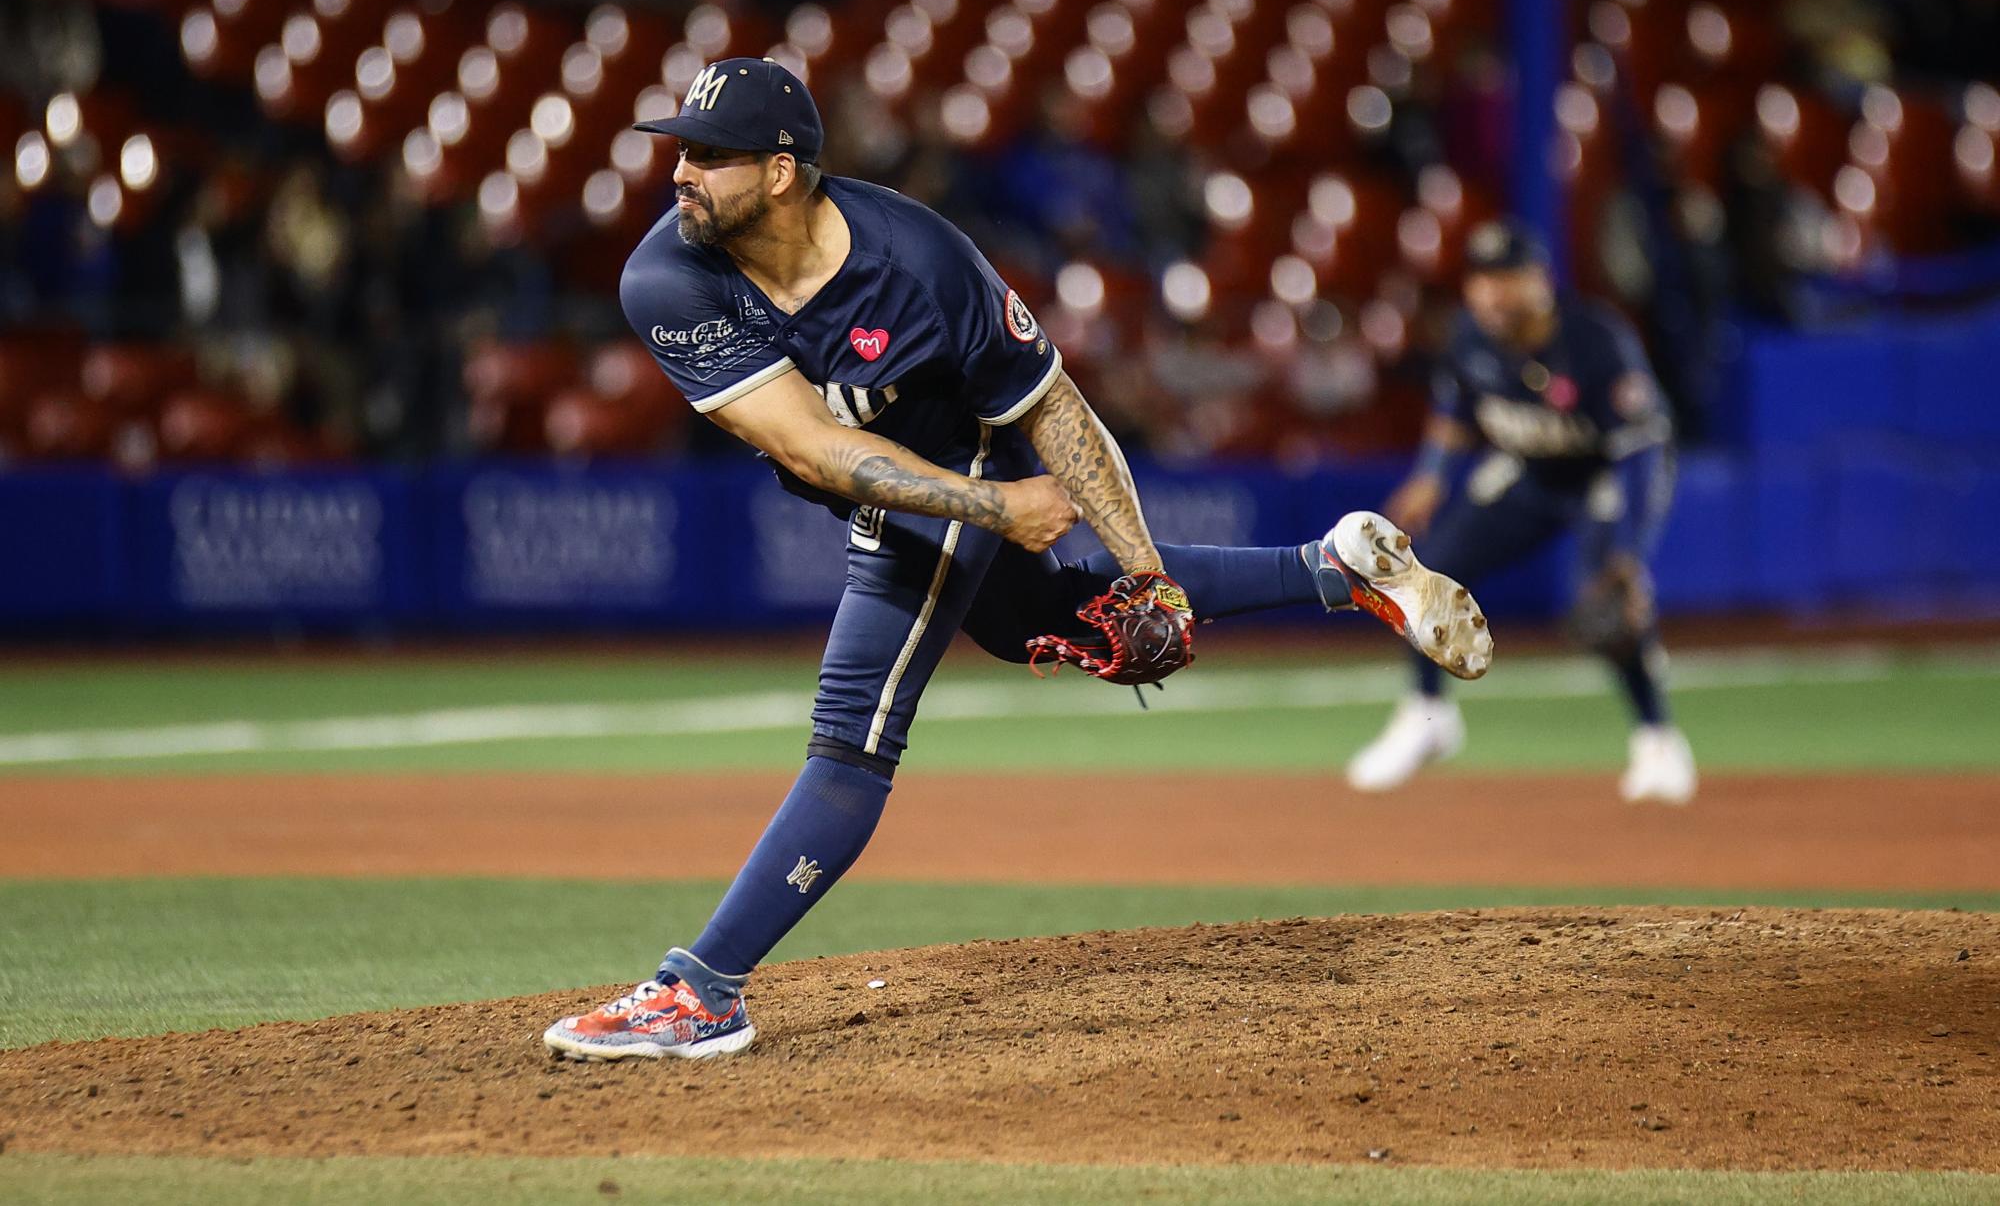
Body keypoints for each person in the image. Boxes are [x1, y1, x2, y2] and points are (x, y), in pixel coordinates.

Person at [540, 59, 1494, 1061]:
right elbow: (807, 446)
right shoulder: (667, 274)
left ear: (781, 171)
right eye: (678, 149)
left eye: (705, 153)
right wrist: (1001, 510)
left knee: (851, 735)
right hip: (933, 483)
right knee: (1040, 622)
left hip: (957, 457)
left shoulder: (918, 261)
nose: (678, 172)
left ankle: (703, 991)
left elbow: (1053, 409)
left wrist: (1145, 570)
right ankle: (1337, 568)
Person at [1347, 220, 1695, 805]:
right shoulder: (1470, 338)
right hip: (1530, 472)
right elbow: (1454, 410)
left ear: (1542, 281)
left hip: (1604, 475)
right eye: (1481, 279)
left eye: (1507, 277)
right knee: (1428, 570)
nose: (1492, 293)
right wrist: (1431, 475)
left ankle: (1658, 739)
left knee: (1608, 598)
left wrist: (1629, 554)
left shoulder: (1595, 342)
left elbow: (1643, 455)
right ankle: (1427, 714)